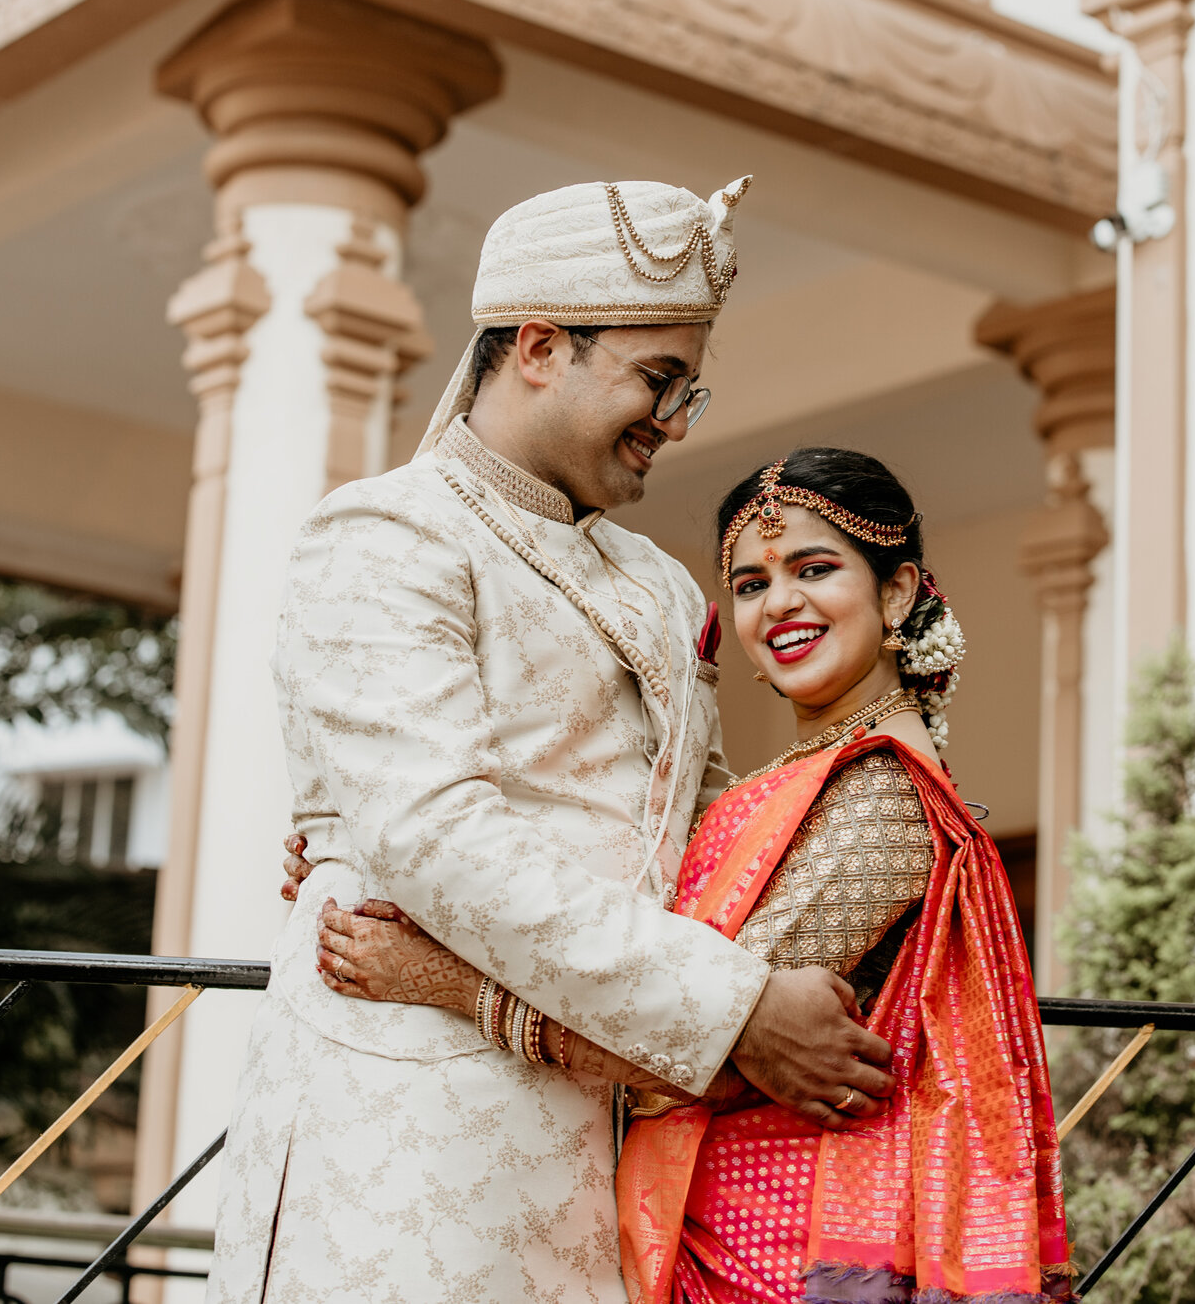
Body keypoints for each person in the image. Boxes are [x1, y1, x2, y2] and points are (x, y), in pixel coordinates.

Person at [209, 179, 897, 1304]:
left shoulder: (660, 584)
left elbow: (704, 832)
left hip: (620, 1135)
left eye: (688, 387)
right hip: (414, 1136)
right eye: (657, 378)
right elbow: (435, 836)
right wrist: (733, 1008)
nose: (676, 420)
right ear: (537, 346)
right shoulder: (387, 533)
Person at [303, 448, 1072, 1304]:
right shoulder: (783, 785)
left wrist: (445, 980)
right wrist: (372, 848)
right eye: (751, 583)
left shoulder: (882, 798)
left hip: (773, 1258)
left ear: (896, 592)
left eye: (815, 568)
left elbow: (694, 1045)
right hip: (700, 1231)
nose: (780, 602)